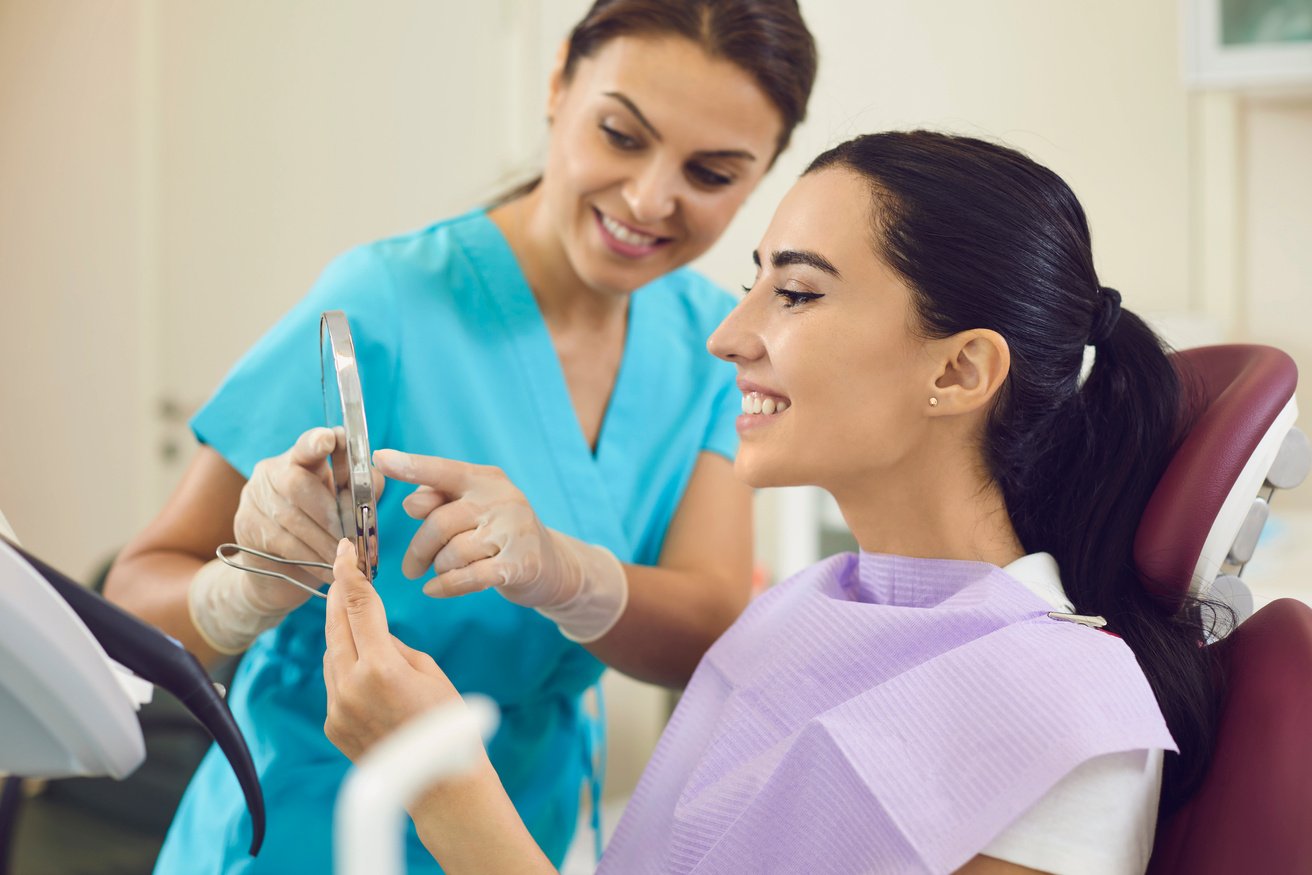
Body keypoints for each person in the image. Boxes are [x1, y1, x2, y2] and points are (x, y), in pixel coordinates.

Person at [322, 130, 1225, 874]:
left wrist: (443, 785)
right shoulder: (806, 609)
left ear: (958, 369)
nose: (728, 334)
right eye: (755, 280)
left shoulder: (1061, 714)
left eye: (794, 292)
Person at [102, 2, 818, 872]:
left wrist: (567, 574)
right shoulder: (383, 302)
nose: (648, 198)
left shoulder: (717, 344)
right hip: (305, 827)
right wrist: (246, 590)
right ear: (558, 84)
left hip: (517, 829)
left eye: (711, 173)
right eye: (622, 136)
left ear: (764, 174)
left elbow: (708, 627)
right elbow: (133, 603)